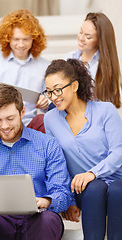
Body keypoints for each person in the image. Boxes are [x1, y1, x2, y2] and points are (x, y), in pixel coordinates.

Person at [0, 83, 73, 240]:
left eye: (10, 118)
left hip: (35, 219)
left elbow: (63, 193)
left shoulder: (47, 145)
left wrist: (46, 201)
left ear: (22, 112)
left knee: (48, 220)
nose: (4, 126)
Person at [43, 59, 122, 240]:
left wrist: (92, 173)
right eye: (49, 92)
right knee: (94, 188)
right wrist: (69, 200)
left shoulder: (105, 110)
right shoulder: (50, 119)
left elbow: (119, 152)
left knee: (117, 191)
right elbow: (56, 163)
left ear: (74, 85)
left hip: (117, 180)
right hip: (84, 189)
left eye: (58, 89)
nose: (53, 97)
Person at [0, 9, 50, 149]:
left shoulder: (44, 66)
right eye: (16, 39)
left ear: (34, 39)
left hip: (28, 127)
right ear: (8, 39)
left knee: (44, 120)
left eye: (26, 39)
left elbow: (53, 103)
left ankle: (40, 167)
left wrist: (46, 102)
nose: (21, 44)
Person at [64, 12, 121, 108]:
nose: (81, 38)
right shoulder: (68, 57)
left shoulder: (104, 68)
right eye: (81, 32)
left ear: (100, 40)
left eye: (88, 37)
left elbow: (108, 107)